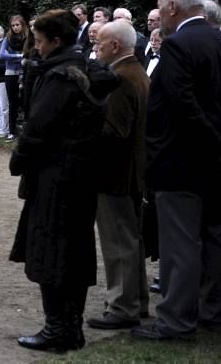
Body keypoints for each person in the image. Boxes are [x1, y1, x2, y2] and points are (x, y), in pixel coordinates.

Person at [132, 0, 221, 341]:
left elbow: (183, 107)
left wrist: (220, 144)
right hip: (217, 166)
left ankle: (176, 321)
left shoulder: (179, 46)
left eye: (159, 6)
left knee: (180, 244)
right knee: (215, 238)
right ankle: (213, 313)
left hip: (181, 163)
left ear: (172, 7)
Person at [10, 9, 119, 352]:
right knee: (74, 248)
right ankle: (70, 326)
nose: (36, 48)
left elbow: (39, 127)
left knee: (51, 249)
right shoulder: (87, 69)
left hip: (56, 175)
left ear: (56, 41)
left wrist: (19, 159)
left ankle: (58, 328)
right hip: (81, 175)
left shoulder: (61, 77)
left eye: (40, 42)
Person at [88, 20, 150, 330]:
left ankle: (122, 306)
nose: (95, 49)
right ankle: (135, 299)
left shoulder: (121, 78)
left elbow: (113, 133)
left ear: (115, 46)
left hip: (116, 174)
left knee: (118, 241)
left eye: (99, 44)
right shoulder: (136, 72)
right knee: (130, 238)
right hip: (131, 172)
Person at [0, 15, 29, 140]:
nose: (15, 27)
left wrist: (11, 55)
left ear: (22, 25)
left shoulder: (28, 37)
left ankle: (26, 130)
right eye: (13, 25)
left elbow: (28, 54)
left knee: (25, 101)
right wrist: (18, 56)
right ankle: (11, 131)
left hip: (24, 71)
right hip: (10, 72)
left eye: (17, 25)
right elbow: (2, 54)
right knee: (12, 103)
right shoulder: (8, 37)